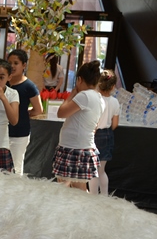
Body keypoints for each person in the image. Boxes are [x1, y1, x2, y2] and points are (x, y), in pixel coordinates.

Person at [52, 60, 105, 192]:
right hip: (84, 146)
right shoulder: (99, 98)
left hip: (73, 147)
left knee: (64, 187)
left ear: (79, 79)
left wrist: (71, 95)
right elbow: (96, 125)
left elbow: (61, 113)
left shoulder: (84, 96)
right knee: (79, 189)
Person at [7, 49, 43, 176]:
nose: (12, 66)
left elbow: (38, 109)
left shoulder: (29, 86)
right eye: (9, 62)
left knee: (15, 167)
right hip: (1, 130)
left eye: (16, 63)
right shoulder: (3, 83)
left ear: (24, 65)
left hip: (19, 133)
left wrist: (24, 113)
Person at [89, 69, 120, 195]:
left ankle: (93, 197)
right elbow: (115, 124)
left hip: (94, 134)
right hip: (107, 134)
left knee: (93, 170)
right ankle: (105, 196)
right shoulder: (115, 102)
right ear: (113, 87)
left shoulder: (94, 99)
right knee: (102, 170)